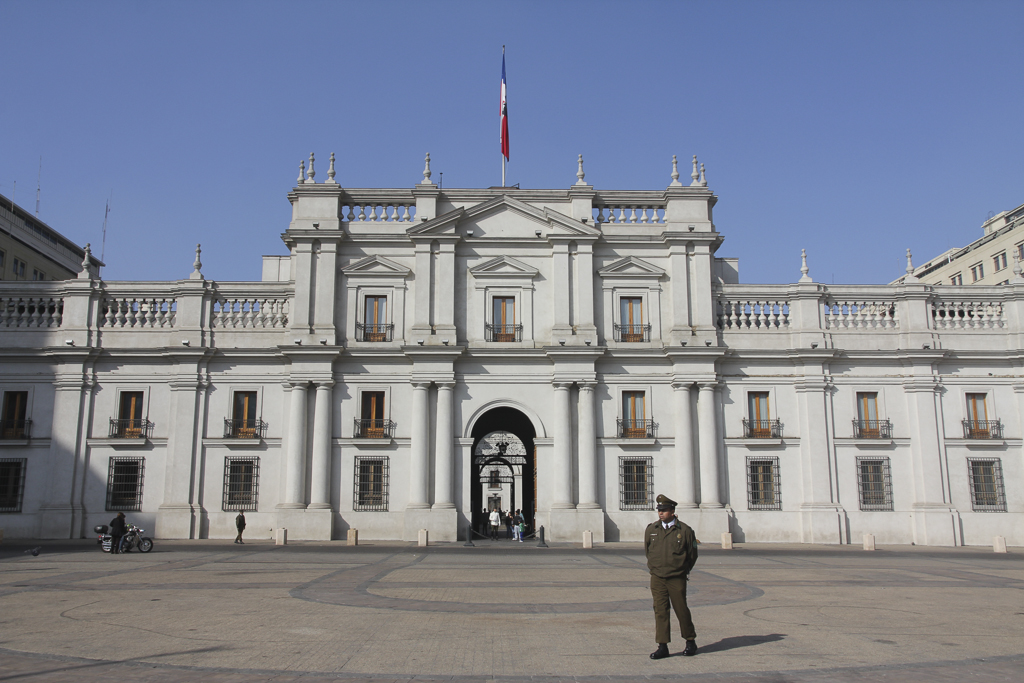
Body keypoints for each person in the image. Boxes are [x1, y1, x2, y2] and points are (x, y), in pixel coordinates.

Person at [645, 494, 699, 659]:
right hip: (658, 577)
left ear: (672, 511)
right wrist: (655, 568)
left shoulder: (685, 531)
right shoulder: (652, 530)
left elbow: (692, 554)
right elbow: (648, 551)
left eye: (664, 510)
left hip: (676, 577)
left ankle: (690, 640)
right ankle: (662, 645)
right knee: (660, 611)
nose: (661, 513)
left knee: (681, 609)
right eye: (659, 510)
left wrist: (682, 570)